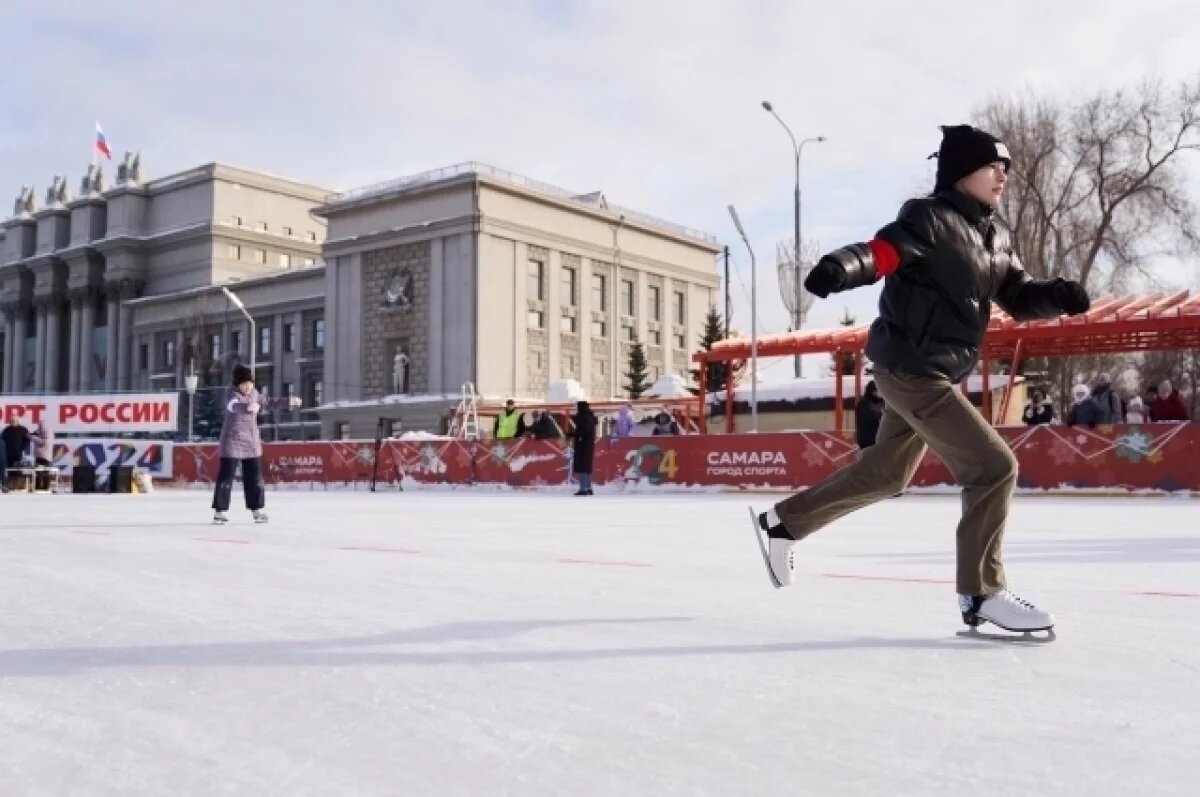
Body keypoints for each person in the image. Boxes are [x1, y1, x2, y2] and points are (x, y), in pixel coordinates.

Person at [752, 124, 1091, 634]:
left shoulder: (995, 236)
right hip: (911, 369)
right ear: (961, 172)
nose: (1002, 176)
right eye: (991, 167)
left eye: (1005, 169)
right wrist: (841, 268)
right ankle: (981, 594)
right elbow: (884, 252)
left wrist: (1056, 297)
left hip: (931, 373)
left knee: (888, 474)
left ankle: (784, 524)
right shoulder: (928, 218)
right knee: (994, 467)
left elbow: (1018, 295)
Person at [212, 364, 267, 524]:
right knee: (226, 478)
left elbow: (268, 402)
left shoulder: (256, 394)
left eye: (249, 383)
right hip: (232, 441)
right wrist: (248, 407)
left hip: (251, 442)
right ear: (237, 385)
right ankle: (219, 511)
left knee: (255, 478)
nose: (247, 387)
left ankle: (256, 509)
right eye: (243, 384)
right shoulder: (231, 394)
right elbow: (233, 406)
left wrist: (288, 401)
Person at [568, 400, 596, 496]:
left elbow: (583, 431)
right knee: (586, 468)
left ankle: (583, 488)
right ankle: (588, 488)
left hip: (583, 446)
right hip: (587, 445)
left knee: (583, 467)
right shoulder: (589, 417)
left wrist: (572, 434)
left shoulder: (584, 418)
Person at [1, 418, 32, 494]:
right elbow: (2, 440)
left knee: (18, 470)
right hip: (7, 453)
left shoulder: (23, 429)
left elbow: (27, 440)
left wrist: (22, 448)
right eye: (11, 421)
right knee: (8, 470)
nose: (13, 422)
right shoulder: (6, 430)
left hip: (18, 453)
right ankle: (9, 486)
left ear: (18, 421)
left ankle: (18, 485)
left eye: (14, 421)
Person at [854, 380, 885, 449]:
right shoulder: (864, 403)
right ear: (872, 391)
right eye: (877, 390)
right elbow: (871, 417)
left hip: (879, 439)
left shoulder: (881, 402)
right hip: (867, 440)